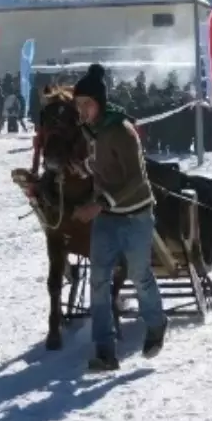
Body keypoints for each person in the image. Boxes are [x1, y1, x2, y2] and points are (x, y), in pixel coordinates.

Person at [71, 63, 166, 371]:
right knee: (98, 281)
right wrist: (84, 169)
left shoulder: (123, 131)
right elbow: (100, 163)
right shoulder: (90, 131)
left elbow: (136, 180)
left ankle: (156, 322)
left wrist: (98, 204)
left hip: (135, 214)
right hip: (107, 219)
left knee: (139, 275)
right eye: (79, 105)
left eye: (87, 104)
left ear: (99, 102)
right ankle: (105, 350)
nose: (82, 110)